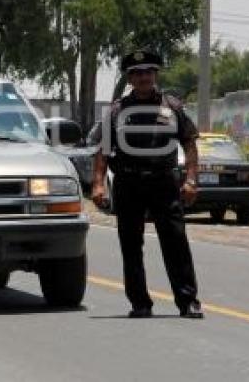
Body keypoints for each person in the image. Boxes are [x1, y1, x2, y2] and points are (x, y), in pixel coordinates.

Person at [91, 49, 203, 319]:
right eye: (137, 73)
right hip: (128, 183)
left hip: (164, 183)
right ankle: (140, 303)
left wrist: (191, 179)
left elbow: (189, 143)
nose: (143, 77)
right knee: (130, 245)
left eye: (148, 72)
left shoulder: (172, 107)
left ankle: (188, 301)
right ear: (130, 78)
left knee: (175, 242)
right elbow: (102, 150)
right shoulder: (117, 111)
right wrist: (98, 185)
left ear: (155, 75)